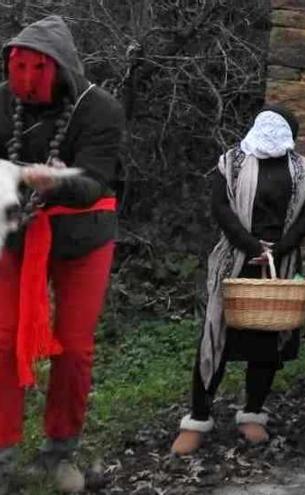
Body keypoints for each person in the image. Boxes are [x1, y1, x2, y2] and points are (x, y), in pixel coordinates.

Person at [0, 15, 125, 493]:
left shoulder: (100, 109)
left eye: (37, 69)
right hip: (17, 228)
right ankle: (3, 452)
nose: (26, 81)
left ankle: (60, 451)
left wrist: (58, 183)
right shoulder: (3, 100)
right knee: (4, 338)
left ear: (59, 69)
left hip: (83, 232)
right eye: (19, 68)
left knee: (73, 346)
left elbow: (96, 179)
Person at [171, 105, 305, 455]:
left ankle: (253, 411)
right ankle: (198, 416)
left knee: (267, 342)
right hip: (236, 262)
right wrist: (249, 245)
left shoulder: (301, 170)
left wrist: (280, 248)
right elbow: (220, 207)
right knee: (216, 337)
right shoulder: (232, 162)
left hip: (278, 267)